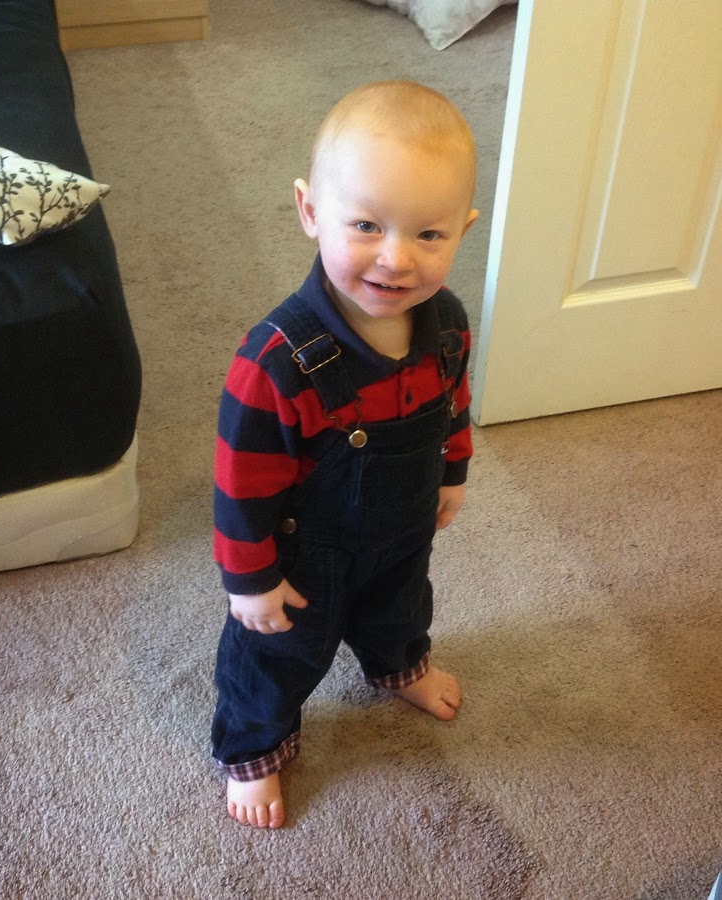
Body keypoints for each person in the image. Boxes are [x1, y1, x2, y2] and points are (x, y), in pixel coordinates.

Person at [209, 80, 480, 829]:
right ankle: (254, 747)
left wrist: (452, 473)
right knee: (277, 656)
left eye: (429, 235)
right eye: (365, 225)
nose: (396, 259)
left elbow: (453, 406)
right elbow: (240, 483)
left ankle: (399, 668)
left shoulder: (448, 325)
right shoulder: (276, 359)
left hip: (403, 528)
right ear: (310, 212)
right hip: (304, 556)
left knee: (402, 607)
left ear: (464, 229)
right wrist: (250, 580)